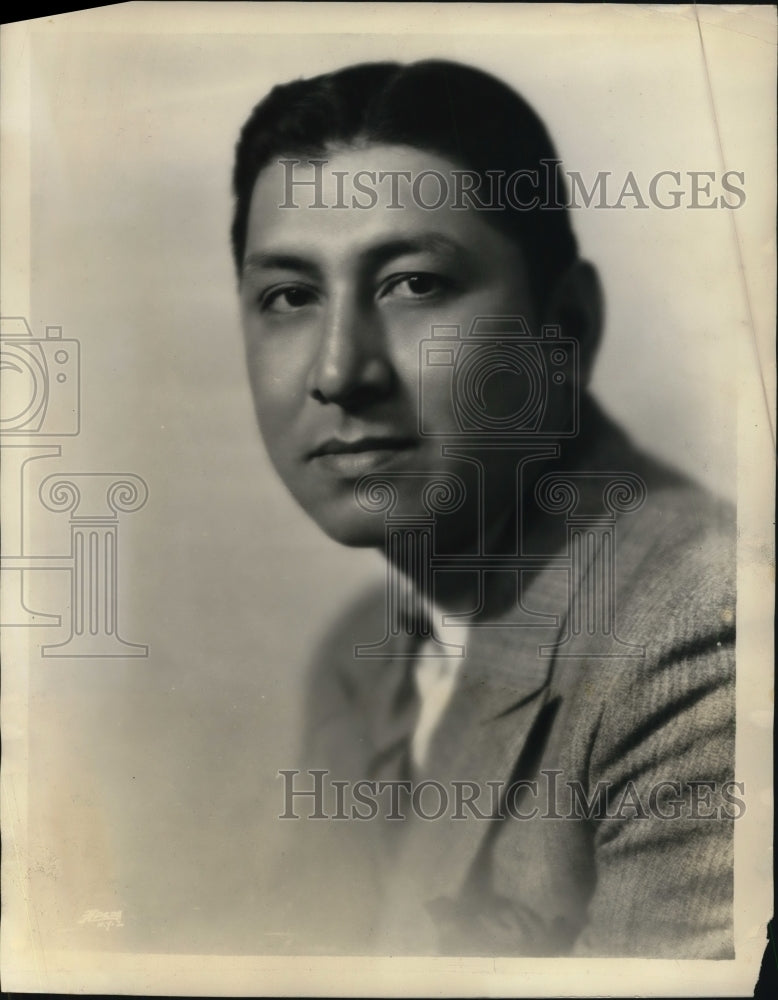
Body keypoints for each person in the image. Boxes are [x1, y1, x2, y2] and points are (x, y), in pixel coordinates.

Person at [231, 60, 736, 957]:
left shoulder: (699, 641)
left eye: (415, 284)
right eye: (290, 296)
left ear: (565, 330)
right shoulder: (367, 656)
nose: (341, 372)